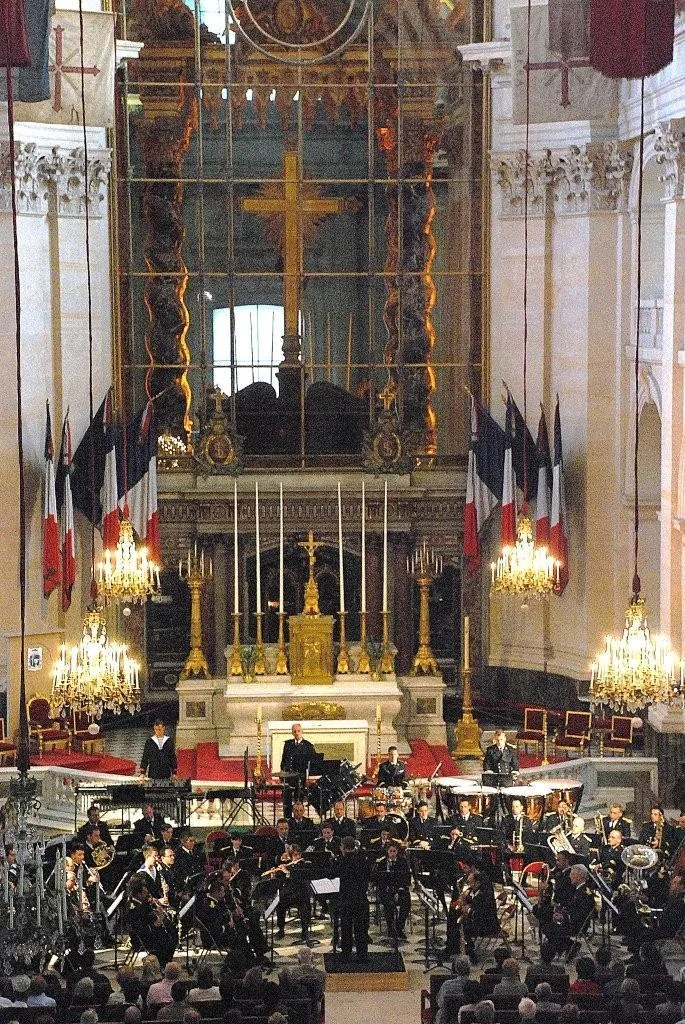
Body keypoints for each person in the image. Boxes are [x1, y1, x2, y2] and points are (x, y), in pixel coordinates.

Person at [332, 835, 370, 962]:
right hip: (361, 898)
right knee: (361, 929)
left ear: (343, 848)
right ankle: (362, 956)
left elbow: (332, 874)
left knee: (346, 928)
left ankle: (346, 955)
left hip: (346, 899)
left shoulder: (342, 861)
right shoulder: (363, 860)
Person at [371, 843, 411, 941]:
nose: (392, 854)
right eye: (390, 851)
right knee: (387, 903)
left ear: (397, 852)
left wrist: (398, 890)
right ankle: (390, 927)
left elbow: (406, 879)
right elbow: (377, 880)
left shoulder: (403, 862)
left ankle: (399, 926)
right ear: (387, 852)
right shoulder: (382, 863)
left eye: (394, 851)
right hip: (387, 889)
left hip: (400, 889)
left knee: (406, 903)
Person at [279, 723, 316, 817]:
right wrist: (282, 774)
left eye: (298, 731)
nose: (297, 733)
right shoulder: (288, 744)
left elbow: (313, 762)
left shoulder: (308, 745)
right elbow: (283, 760)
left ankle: (298, 819)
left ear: (301, 731)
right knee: (287, 801)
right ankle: (287, 819)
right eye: (294, 731)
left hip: (300, 777)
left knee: (298, 800)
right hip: (288, 776)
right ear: (292, 733)